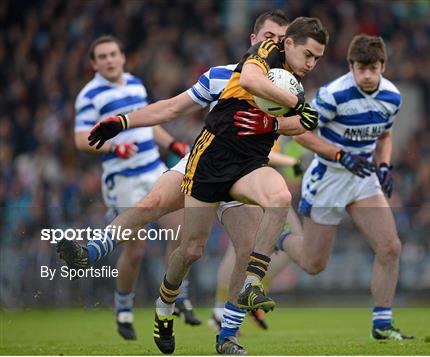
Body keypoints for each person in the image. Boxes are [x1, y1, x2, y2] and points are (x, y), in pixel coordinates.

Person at [57, 11, 305, 354]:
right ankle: (103, 262)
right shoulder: (223, 77)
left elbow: (301, 126)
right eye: (267, 36)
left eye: (279, 39)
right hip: (204, 163)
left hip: (247, 173)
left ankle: (226, 337)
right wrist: (123, 122)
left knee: (246, 252)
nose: (272, 44)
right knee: (174, 231)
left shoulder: (288, 88)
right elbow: (172, 108)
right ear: (253, 40)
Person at [249, 34, 414, 340]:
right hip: (328, 178)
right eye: (361, 68)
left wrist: (386, 165)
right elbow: (301, 135)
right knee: (314, 265)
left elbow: (386, 135)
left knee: (390, 247)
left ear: (383, 66)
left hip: (363, 177)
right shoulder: (333, 95)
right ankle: (282, 239)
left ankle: (382, 324)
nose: (367, 75)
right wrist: (340, 155)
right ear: (351, 66)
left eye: (373, 68)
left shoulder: (392, 96)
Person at [69, 35, 198, 341]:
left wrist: (172, 142)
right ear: (94, 63)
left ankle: (177, 296)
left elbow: (150, 123)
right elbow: (79, 139)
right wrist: (113, 148)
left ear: (122, 56)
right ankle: (123, 308)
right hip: (122, 178)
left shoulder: (136, 84)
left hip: (153, 170)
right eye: (102, 56)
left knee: (182, 234)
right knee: (136, 250)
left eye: (114, 54)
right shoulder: (90, 95)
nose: (110, 60)